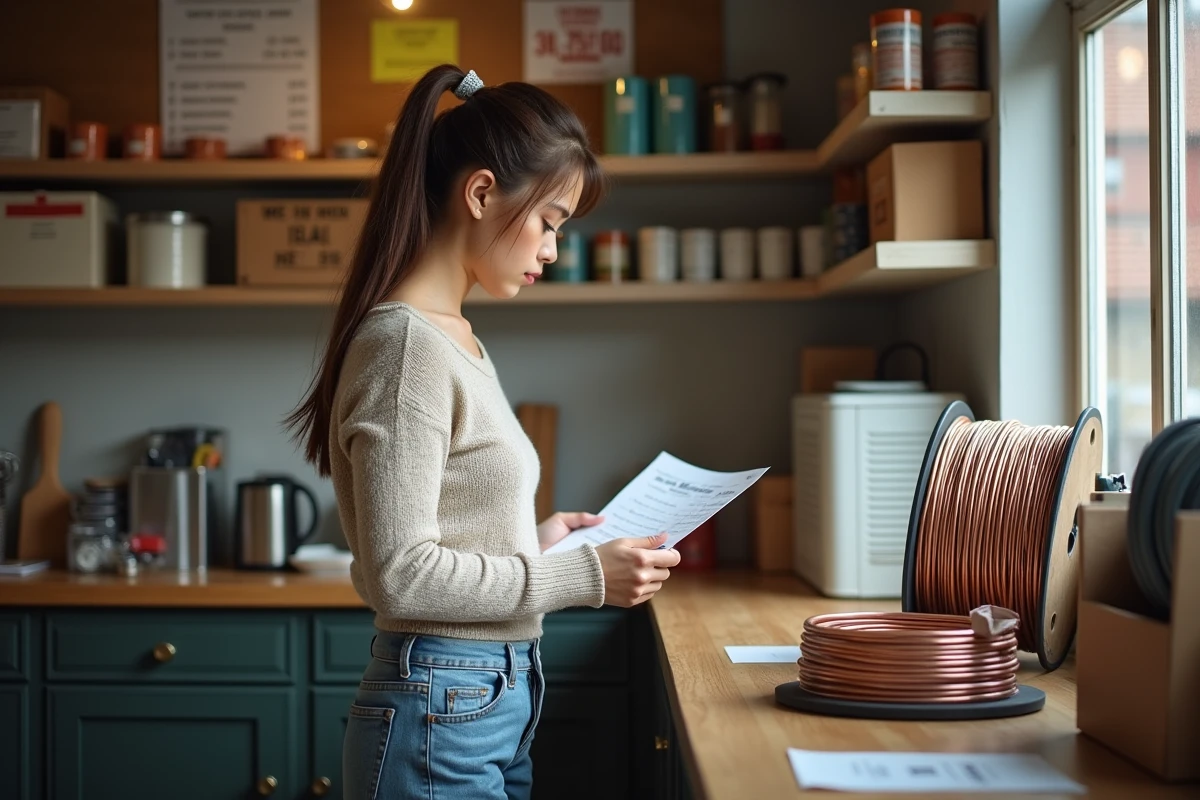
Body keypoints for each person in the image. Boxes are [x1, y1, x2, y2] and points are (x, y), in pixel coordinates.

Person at [286, 64, 682, 800]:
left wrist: (533, 541)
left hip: (482, 700)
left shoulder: (453, 339)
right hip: (442, 700)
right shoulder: (405, 348)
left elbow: (442, 535)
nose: (552, 252)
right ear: (480, 193)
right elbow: (401, 575)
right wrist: (584, 576)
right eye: (549, 222)